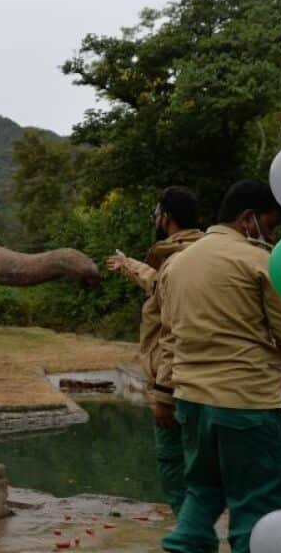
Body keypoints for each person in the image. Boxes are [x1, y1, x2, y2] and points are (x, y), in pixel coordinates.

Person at [155, 180, 281, 553]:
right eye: (271, 226)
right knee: (259, 502)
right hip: (246, 403)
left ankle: (183, 547)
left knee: (203, 491)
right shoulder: (259, 260)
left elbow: (169, 335)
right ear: (247, 219)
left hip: (191, 400)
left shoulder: (177, 262)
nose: (271, 236)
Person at [107, 186, 204, 514]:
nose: (155, 219)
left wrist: (163, 393)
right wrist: (128, 264)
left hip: (177, 384)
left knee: (174, 464)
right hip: (212, 386)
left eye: (157, 213)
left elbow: (176, 333)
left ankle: (191, 535)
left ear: (168, 218)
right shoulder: (203, 252)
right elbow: (157, 283)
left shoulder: (177, 259)